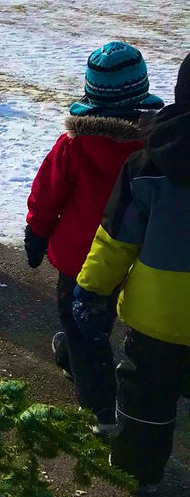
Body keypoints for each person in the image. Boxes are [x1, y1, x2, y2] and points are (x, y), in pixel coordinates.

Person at [24, 42, 163, 434]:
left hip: (80, 262)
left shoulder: (74, 145)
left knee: (85, 330)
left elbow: (45, 194)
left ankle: (101, 410)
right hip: (138, 258)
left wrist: (36, 234)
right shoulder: (157, 148)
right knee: (107, 322)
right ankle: (77, 355)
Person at [73, 53, 190, 494]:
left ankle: (138, 471)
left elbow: (116, 239)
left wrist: (91, 290)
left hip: (156, 316)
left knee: (146, 400)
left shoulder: (149, 163)